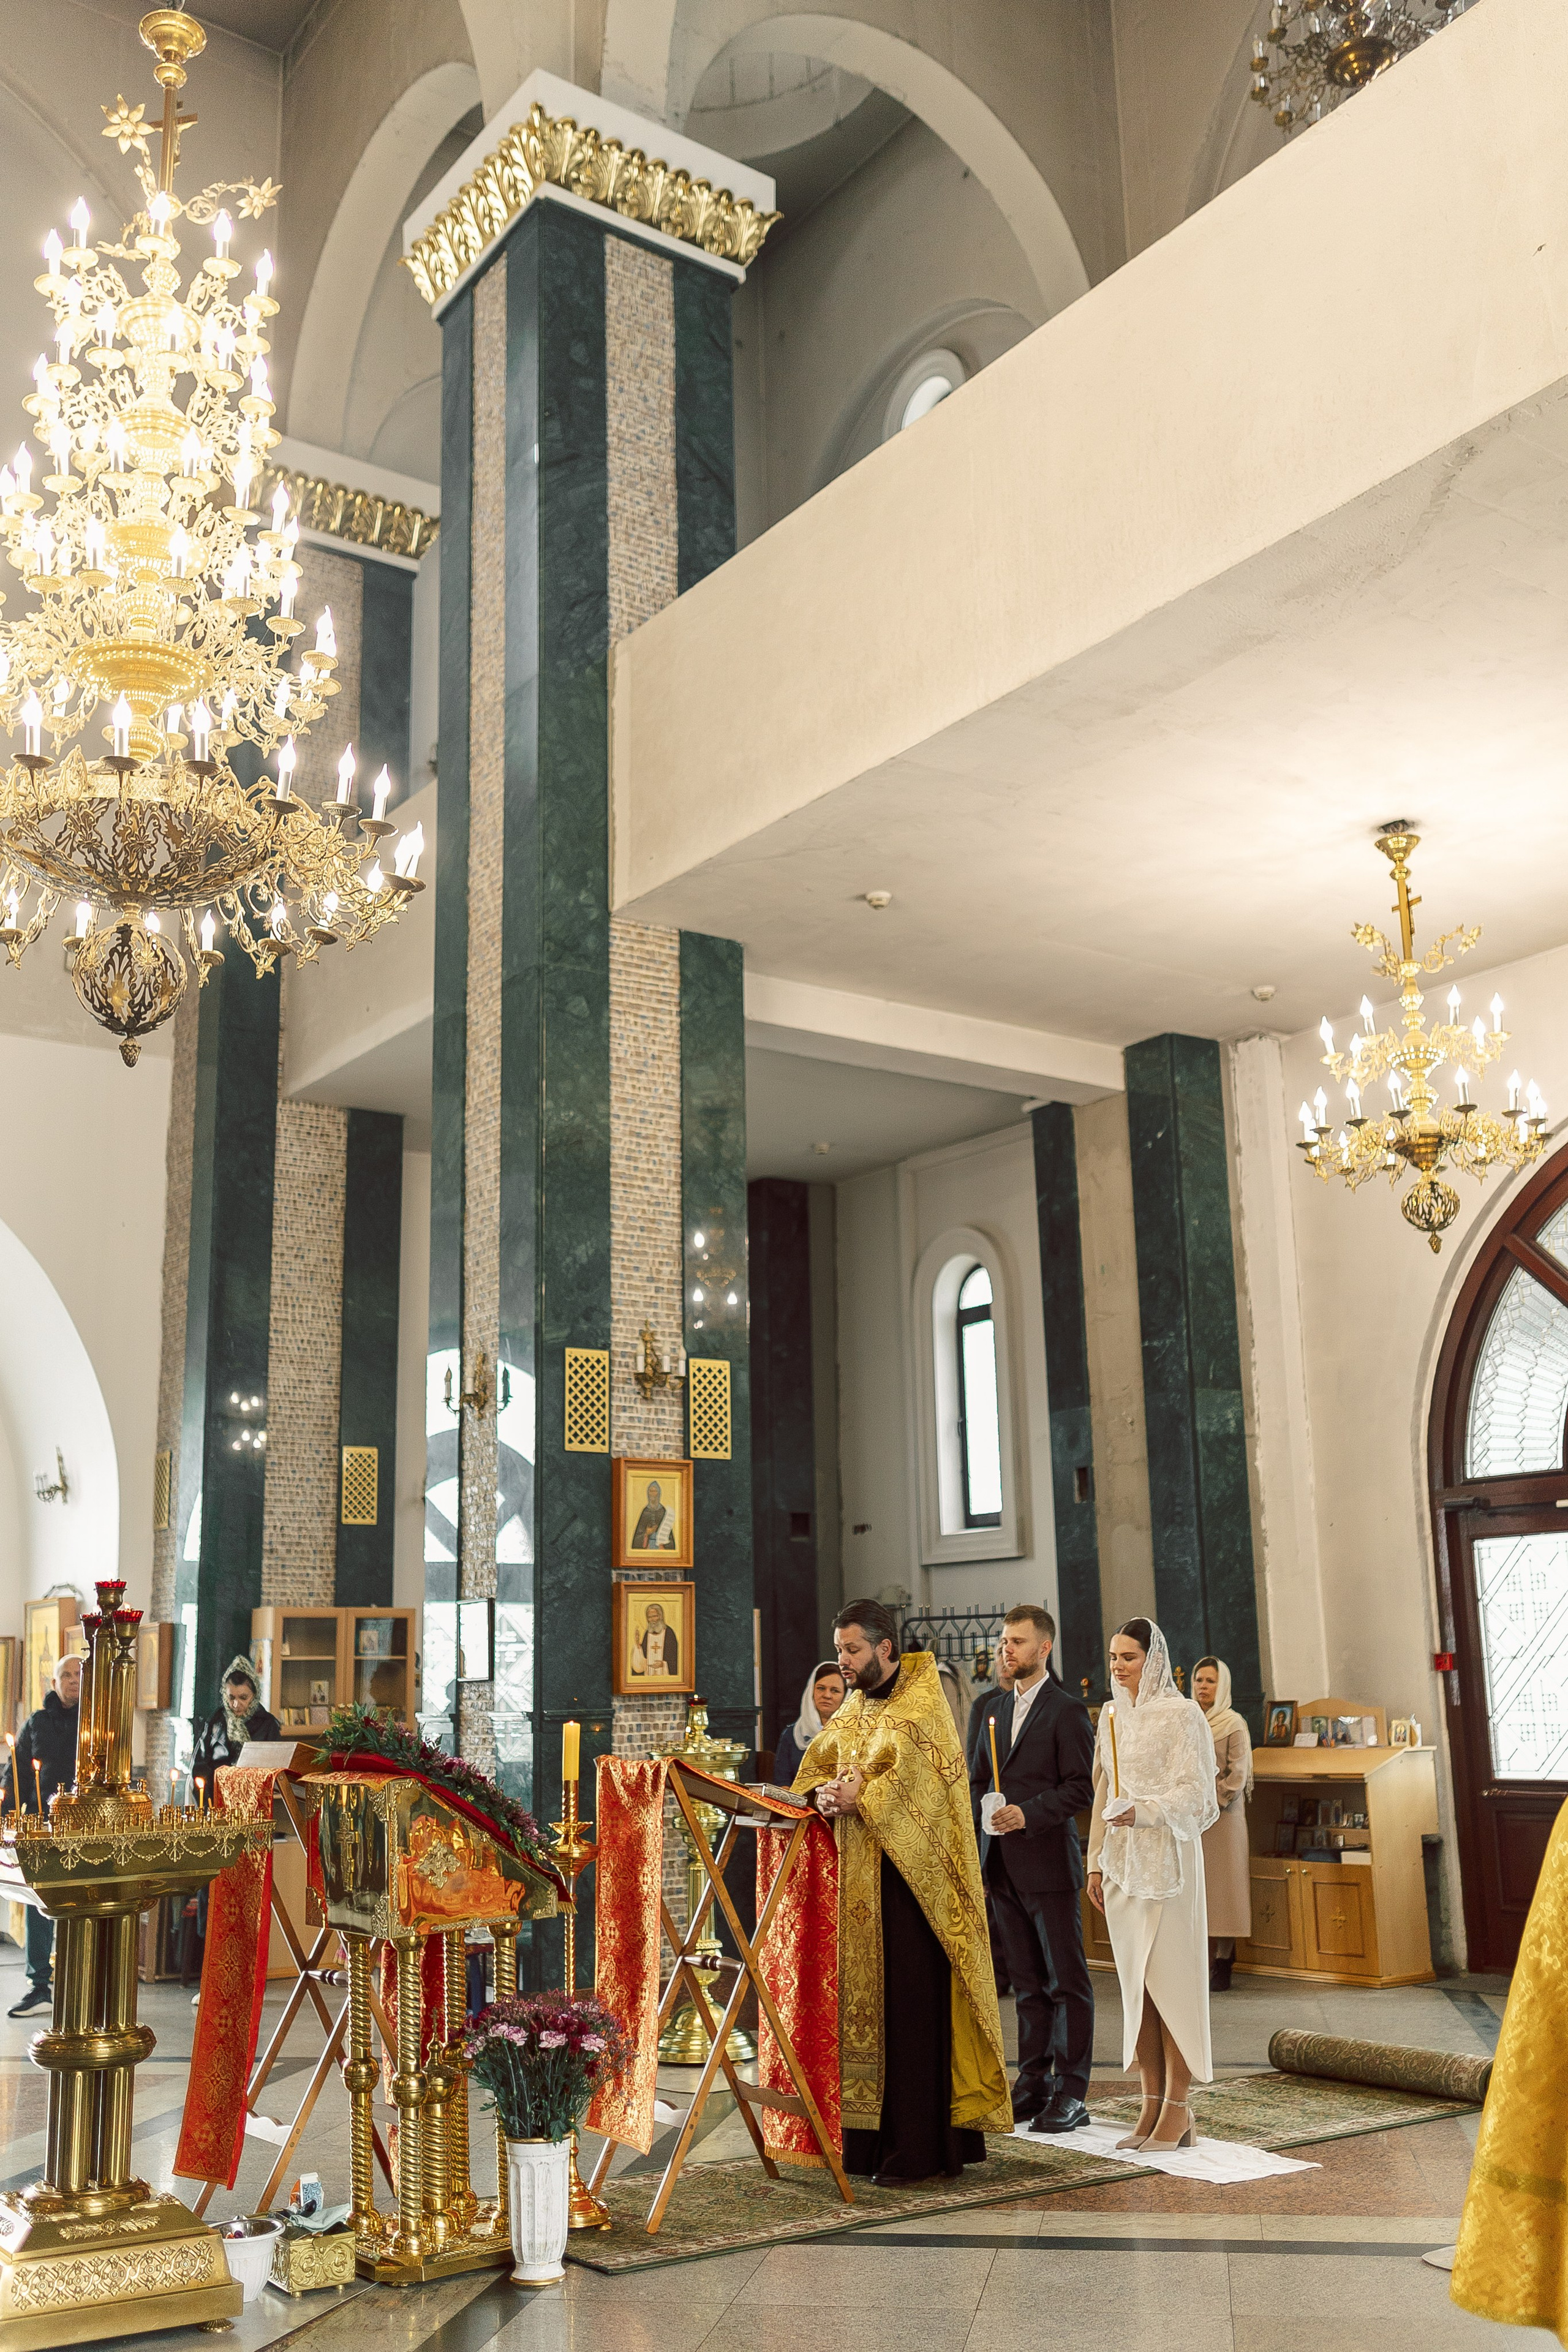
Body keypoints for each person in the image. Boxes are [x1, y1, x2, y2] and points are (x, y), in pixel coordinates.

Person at [794, 1599, 1011, 2185]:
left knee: (913, 2013)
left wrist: (863, 1795)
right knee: (868, 2013)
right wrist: (823, 1795)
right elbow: (818, 1765)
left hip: (916, 1890)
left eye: (852, 1650)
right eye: (840, 1650)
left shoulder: (922, 1703)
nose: (842, 1662)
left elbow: (927, 1785)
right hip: (860, 1883)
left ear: (885, 1649)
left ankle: (918, 2148)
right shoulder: (857, 1706)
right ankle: (866, 2147)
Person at [1087, 1617, 1218, 2151]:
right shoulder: (1112, 1715)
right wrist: (1094, 1860)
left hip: (1169, 1859)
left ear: (1154, 1659)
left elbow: (1197, 1795)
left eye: (1129, 1657)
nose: (1118, 1666)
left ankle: (1178, 2110)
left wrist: (1144, 1812)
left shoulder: (1184, 1715)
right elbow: (1103, 1788)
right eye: (1114, 1657)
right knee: (1137, 1989)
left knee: (1173, 1987)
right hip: (1122, 1863)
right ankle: (1148, 2106)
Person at [968, 1605, 1096, 2131]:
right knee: (1025, 1983)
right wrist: (987, 1807)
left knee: (1066, 1981)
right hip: (1000, 1863)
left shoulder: (1067, 1711)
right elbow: (976, 1777)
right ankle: (1032, 2081)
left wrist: (1029, 1812)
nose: (1007, 1649)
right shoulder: (987, 1708)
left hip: (1047, 1859)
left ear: (1044, 1648)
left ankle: (1072, 2091)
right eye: (1004, 1641)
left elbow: (1081, 1787)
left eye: (1018, 1642)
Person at [5, 1653, 82, 2015]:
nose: (73, 1681)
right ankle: (40, 1985)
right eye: (66, 1675)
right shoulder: (37, 1723)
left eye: (79, 1675)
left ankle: (79, 1983)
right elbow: (15, 1773)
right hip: (41, 1824)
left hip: (85, 1825)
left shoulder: (95, 1722)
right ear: (54, 1683)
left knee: (81, 1904)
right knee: (40, 1903)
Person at [1192, 1654, 1253, 1991]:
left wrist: (1211, 1802)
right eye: (1199, 1680)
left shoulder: (1233, 1723)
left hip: (1223, 1817)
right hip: (1191, 1819)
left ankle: (1224, 1961)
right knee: (1199, 1892)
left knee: (1224, 1892)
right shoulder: (1187, 1720)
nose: (1203, 1687)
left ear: (1222, 1686)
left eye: (1210, 1681)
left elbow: (1238, 1773)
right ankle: (1201, 1961)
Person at [967, 1653, 1017, 1996]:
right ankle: (999, 1975)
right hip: (991, 1819)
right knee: (994, 1907)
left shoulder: (1054, 1699)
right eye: (1000, 1650)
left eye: (1013, 1646)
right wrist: (977, 1826)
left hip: (1029, 1819)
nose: (1004, 1658)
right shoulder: (985, 1705)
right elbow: (976, 1770)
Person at [190, 1656, 282, 1792]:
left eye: (244, 1698)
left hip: (254, 1798)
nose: (236, 1704)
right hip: (217, 1797)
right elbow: (200, 1767)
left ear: (255, 1695)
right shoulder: (216, 1721)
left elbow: (276, 1771)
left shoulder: (268, 1724)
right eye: (231, 1697)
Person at [774, 1659, 846, 1787]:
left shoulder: (852, 1734)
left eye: (835, 1690)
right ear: (811, 1691)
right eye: (821, 1688)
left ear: (845, 1696)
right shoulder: (792, 1734)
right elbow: (782, 1782)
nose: (827, 1695)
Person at [629, 1602, 679, 1679]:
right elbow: (643, 1658)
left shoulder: (669, 1633)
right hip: (648, 1674)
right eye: (649, 1617)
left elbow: (674, 1657)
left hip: (665, 1675)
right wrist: (638, 1647)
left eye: (655, 1616)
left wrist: (663, 1664)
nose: (652, 1620)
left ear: (661, 1616)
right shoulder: (647, 1633)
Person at [630, 1480, 676, 1550]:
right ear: (648, 1493)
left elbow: (669, 1537)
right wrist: (646, 1533)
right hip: (647, 1547)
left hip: (661, 1547)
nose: (652, 1494)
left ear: (659, 1493)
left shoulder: (663, 1511)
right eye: (651, 1491)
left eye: (655, 1491)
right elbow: (637, 1538)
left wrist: (663, 1540)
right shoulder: (645, 1511)